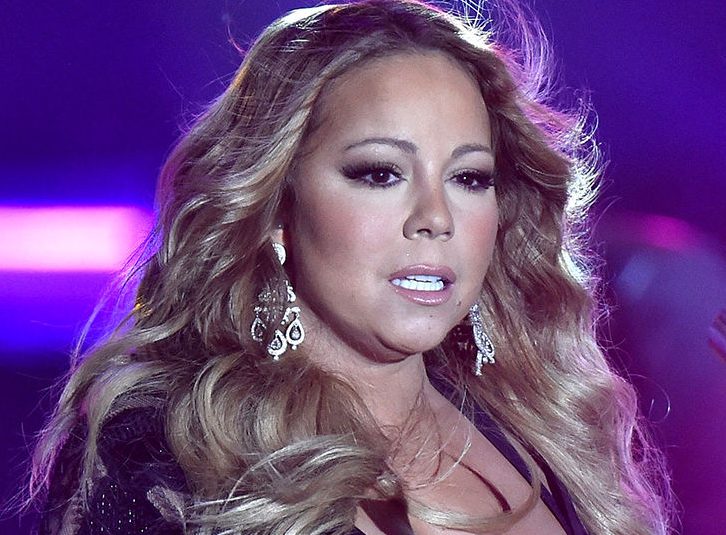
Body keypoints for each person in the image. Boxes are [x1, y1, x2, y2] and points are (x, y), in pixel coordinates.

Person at [30, 1, 673, 533]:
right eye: (380, 173)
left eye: (470, 178)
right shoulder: (171, 451)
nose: (436, 217)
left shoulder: (542, 429)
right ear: (276, 207)